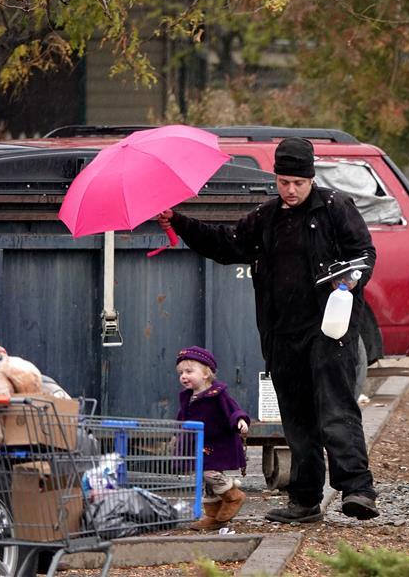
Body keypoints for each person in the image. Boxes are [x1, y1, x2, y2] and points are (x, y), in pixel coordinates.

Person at [157, 136, 379, 523]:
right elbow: (227, 245)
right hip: (281, 334)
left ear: (311, 179)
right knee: (296, 418)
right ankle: (305, 499)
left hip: (330, 330)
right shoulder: (266, 217)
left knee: (335, 409)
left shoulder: (335, 208)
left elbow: (363, 253)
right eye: (283, 182)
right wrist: (178, 221)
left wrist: (352, 279)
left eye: (298, 183)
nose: (290, 190)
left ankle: (358, 490)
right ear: (275, 179)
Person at [175, 345, 250, 530]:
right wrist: (178, 434)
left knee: (210, 474)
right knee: (205, 480)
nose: (183, 376)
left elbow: (234, 409)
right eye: (181, 372)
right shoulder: (188, 397)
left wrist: (240, 420)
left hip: (218, 444)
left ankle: (233, 495)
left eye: (189, 371)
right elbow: (182, 418)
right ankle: (214, 516)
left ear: (206, 374)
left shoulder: (218, 394)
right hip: (200, 444)